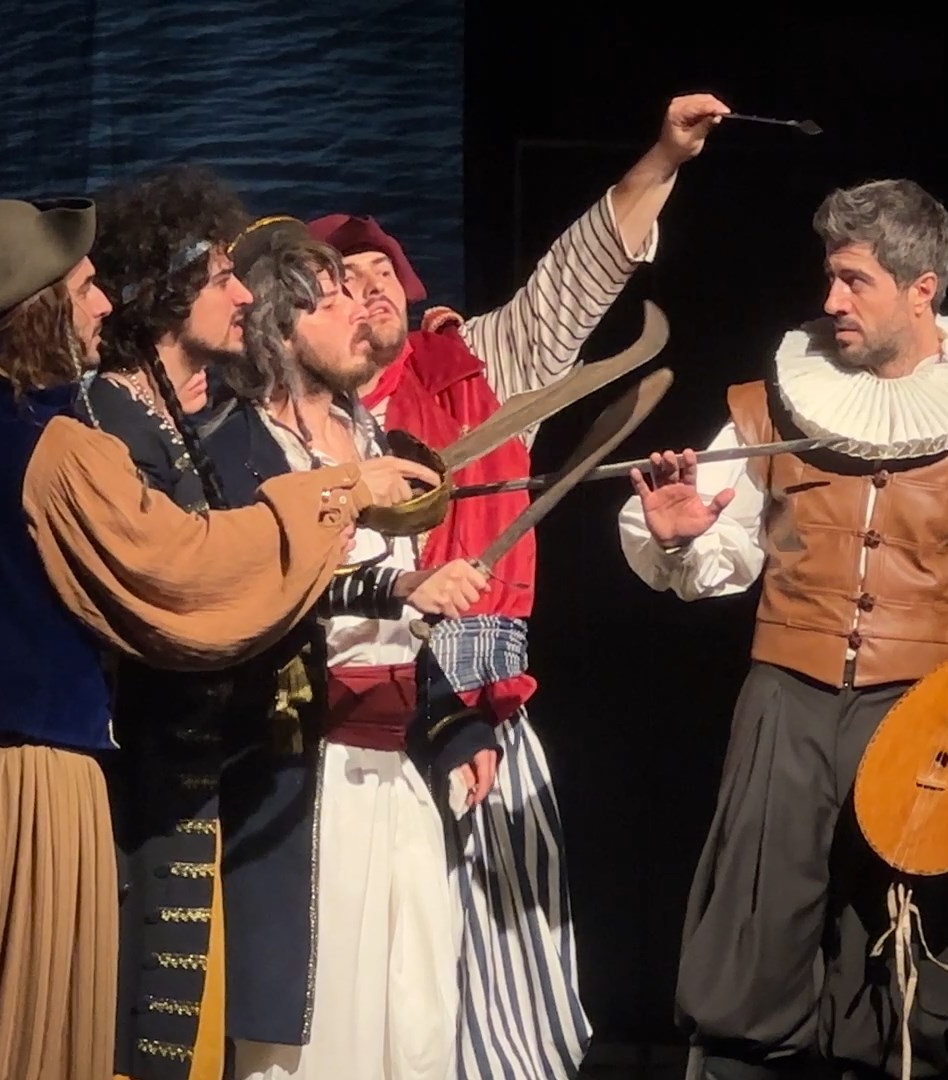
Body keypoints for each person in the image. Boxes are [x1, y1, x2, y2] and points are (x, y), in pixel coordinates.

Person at [0, 194, 434, 1080]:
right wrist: (340, 493)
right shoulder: (52, 446)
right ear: (38, 305)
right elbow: (182, 572)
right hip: (22, 793)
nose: (103, 305)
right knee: (12, 1039)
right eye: (86, 288)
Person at [617, 179, 948, 1080]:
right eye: (831, 276)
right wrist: (679, 538)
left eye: (856, 281)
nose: (832, 299)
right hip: (786, 706)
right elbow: (715, 551)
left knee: (894, 973)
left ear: (923, 290)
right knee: (752, 947)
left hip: (925, 718)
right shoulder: (776, 410)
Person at [302, 90, 730, 1080]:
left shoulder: (480, 366)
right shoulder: (294, 415)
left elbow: (573, 281)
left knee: (488, 995)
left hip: (478, 713)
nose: (371, 289)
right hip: (344, 726)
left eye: (384, 273)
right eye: (346, 280)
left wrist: (662, 159)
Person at [75, 169, 482, 1080]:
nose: (360, 309)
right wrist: (392, 588)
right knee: (313, 1034)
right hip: (305, 772)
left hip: (396, 773)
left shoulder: (377, 442)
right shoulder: (236, 448)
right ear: (281, 326)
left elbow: (408, 621)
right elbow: (248, 582)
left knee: (414, 1027)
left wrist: (456, 721)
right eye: (330, 299)